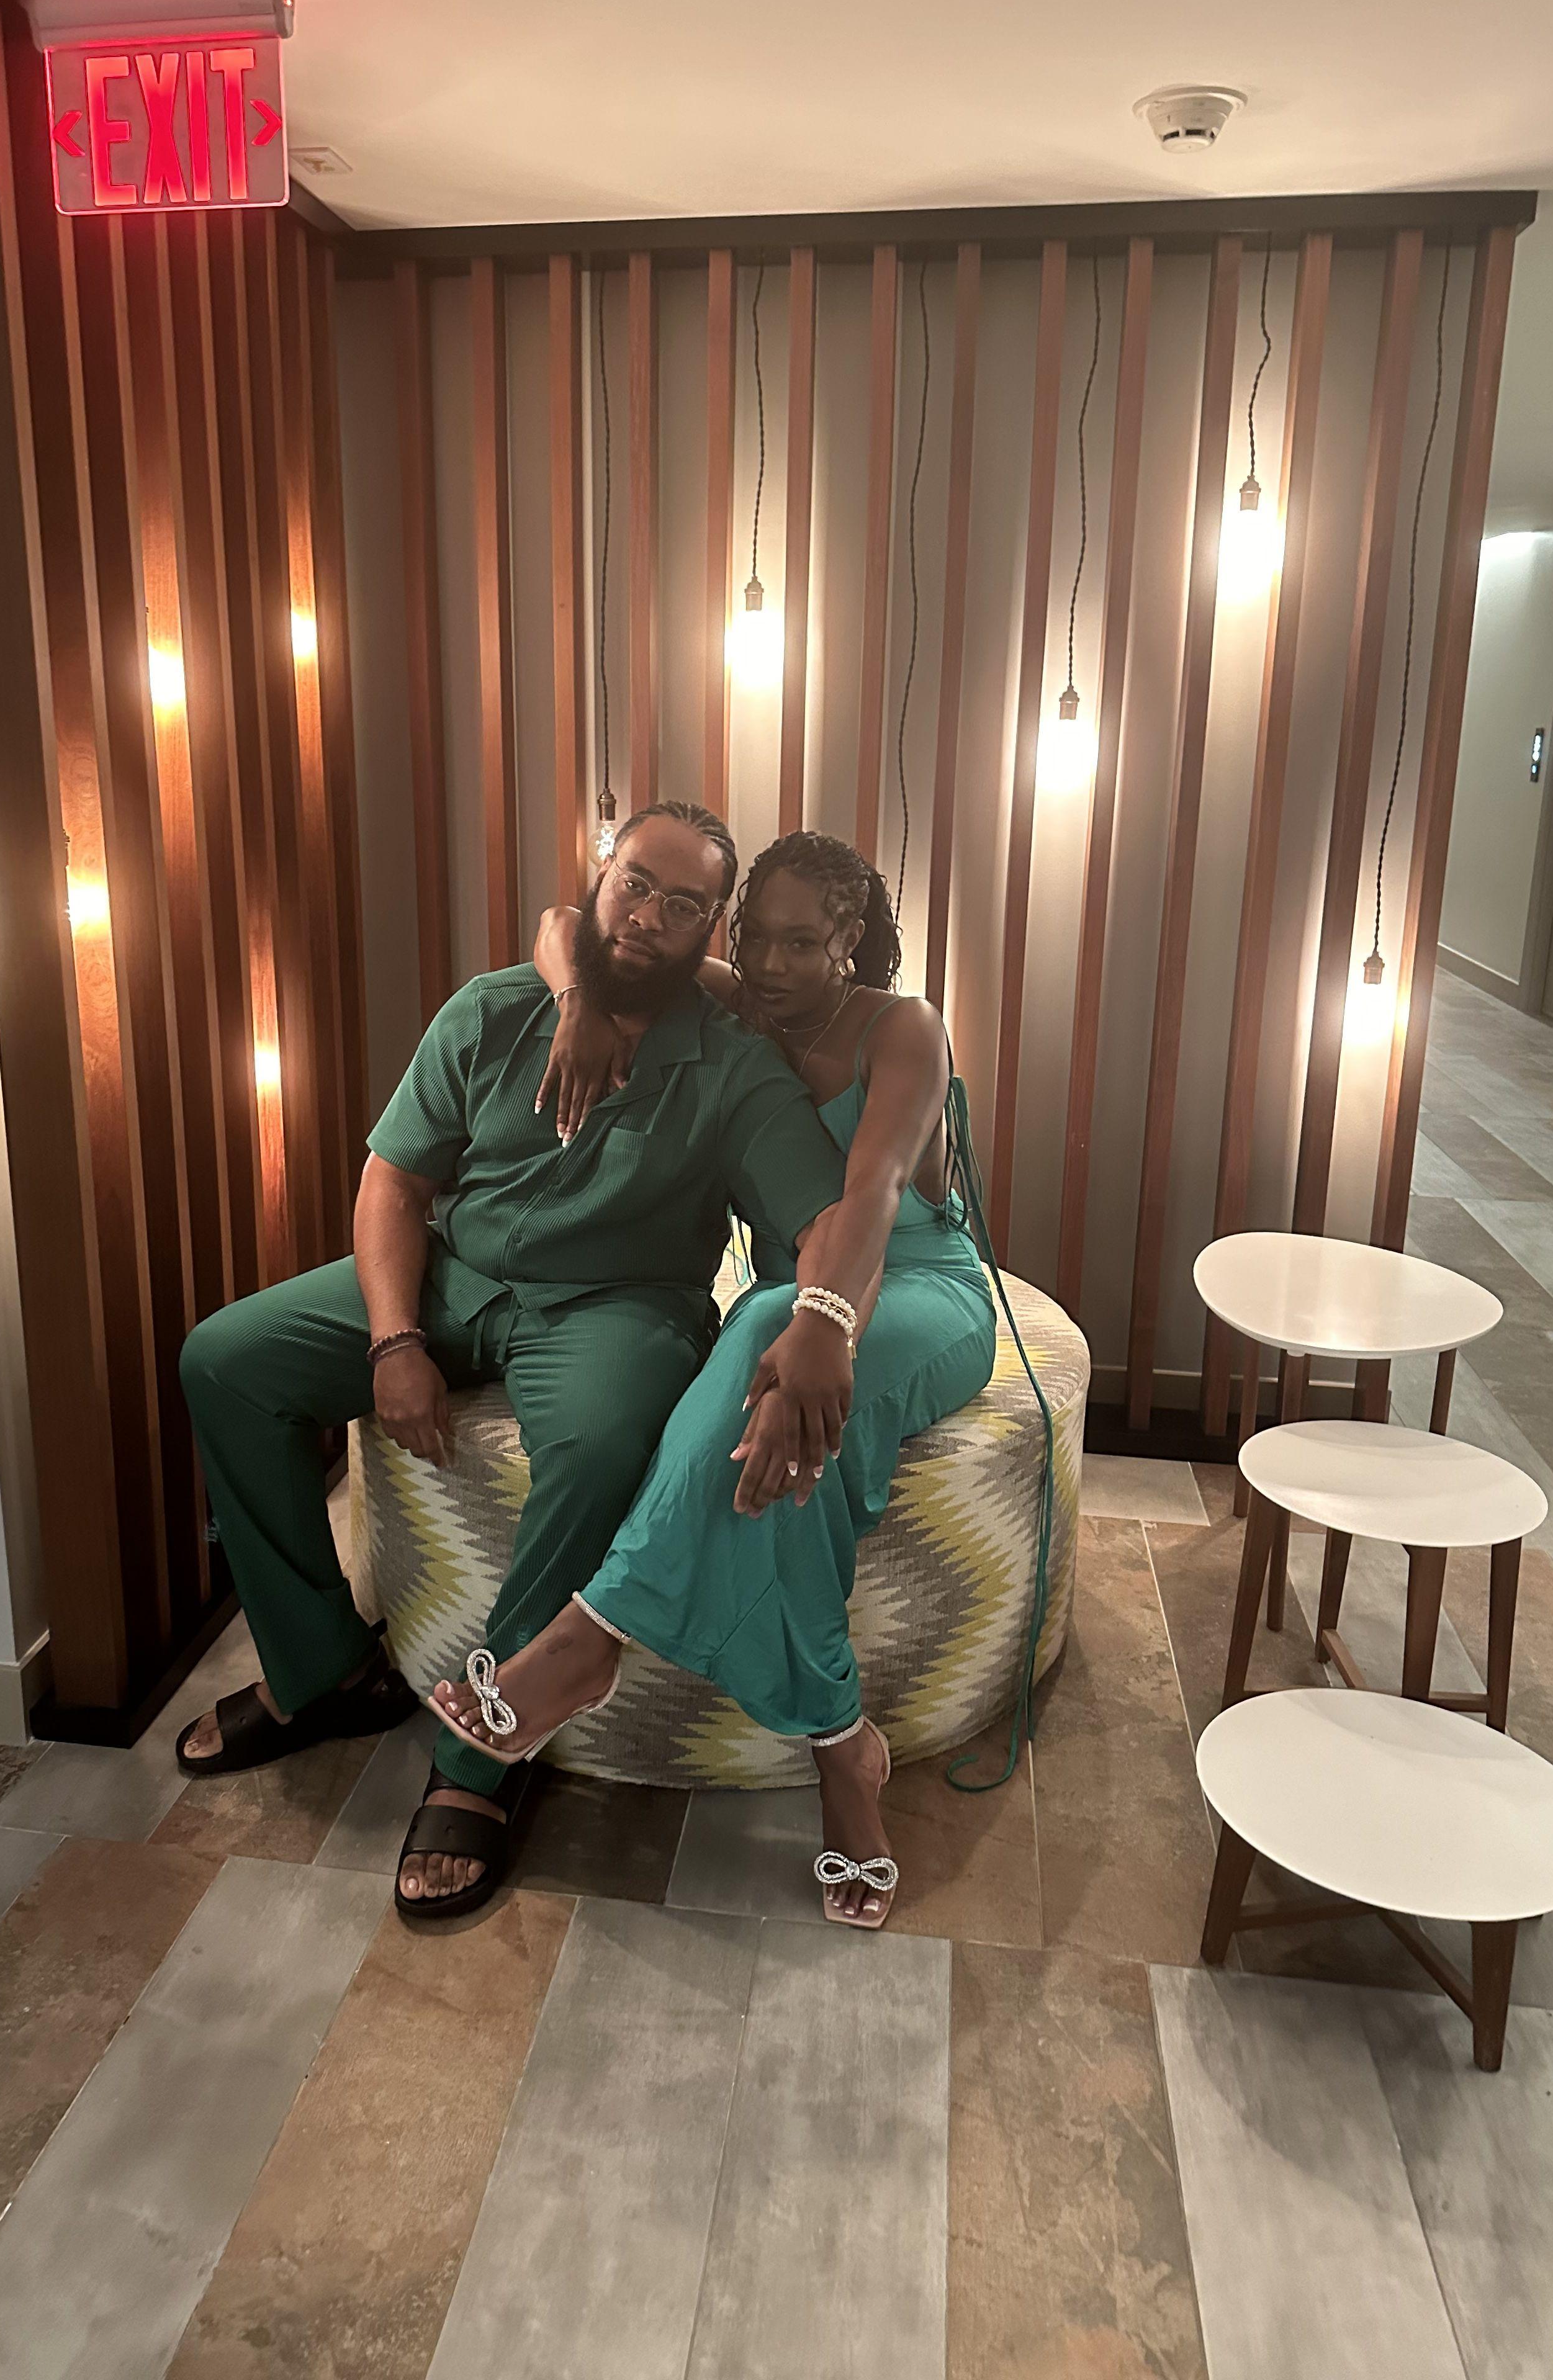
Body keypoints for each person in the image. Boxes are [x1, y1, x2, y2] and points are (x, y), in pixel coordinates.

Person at [174, 802, 866, 1922]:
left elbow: (826, 1214)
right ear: (601, 872)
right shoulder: (496, 1009)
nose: (647, 917)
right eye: (635, 883)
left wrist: (823, 1320)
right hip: (455, 1273)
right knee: (225, 1360)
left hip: (617, 1309)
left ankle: (482, 1759)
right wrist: (395, 1337)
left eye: (683, 905)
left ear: (713, 930)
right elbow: (395, 1182)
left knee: (599, 1449)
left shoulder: (734, 1068)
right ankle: (321, 1668)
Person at [430, 831, 997, 1930]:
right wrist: (575, 1005)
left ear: (849, 940)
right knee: (781, 1443)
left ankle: (592, 1637)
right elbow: (563, 924)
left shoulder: (902, 1028)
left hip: (917, 1288)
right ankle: (843, 1750)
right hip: (792, 1309)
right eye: (758, 938)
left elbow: (876, 1192)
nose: (773, 965)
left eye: (804, 943)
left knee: (771, 1323)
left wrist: (826, 1318)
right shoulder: (735, 1002)